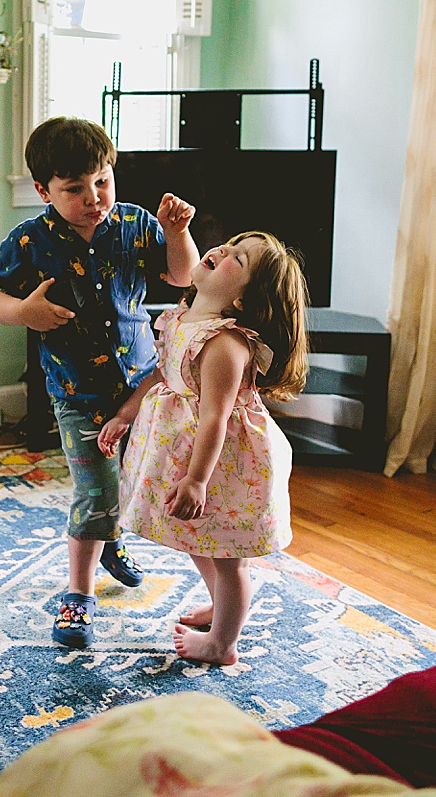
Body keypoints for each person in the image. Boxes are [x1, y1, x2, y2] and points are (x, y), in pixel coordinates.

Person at [0, 116, 197, 649]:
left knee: (132, 480)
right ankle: (79, 595)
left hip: (144, 384)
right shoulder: (28, 241)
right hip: (77, 393)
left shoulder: (134, 223)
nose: (93, 198)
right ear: (43, 190)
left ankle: (111, 539)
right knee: (95, 490)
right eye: (74, 189)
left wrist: (177, 234)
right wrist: (25, 311)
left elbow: (183, 277)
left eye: (102, 181)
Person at [97, 231, 309, 665]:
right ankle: (219, 608)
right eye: (230, 244)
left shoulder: (225, 346)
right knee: (198, 538)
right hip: (188, 451)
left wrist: (196, 480)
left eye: (240, 260)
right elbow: (162, 376)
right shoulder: (181, 319)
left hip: (223, 466)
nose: (222, 250)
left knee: (228, 556)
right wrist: (126, 413)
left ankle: (222, 644)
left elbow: (215, 417)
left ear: (245, 301)